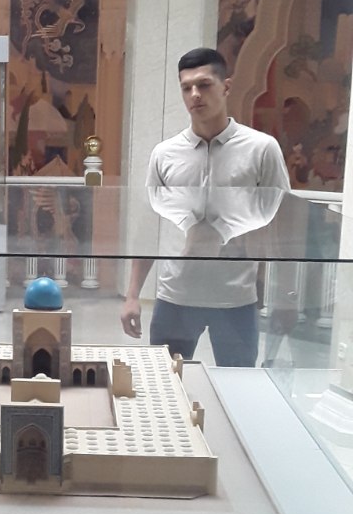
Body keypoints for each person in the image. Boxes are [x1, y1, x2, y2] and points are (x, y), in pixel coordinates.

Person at [120, 46, 292, 367]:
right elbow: (149, 229)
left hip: (236, 298)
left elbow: (281, 223)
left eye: (204, 85)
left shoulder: (262, 149)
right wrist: (132, 295)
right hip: (176, 296)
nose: (194, 95)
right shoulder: (164, 154)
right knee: (165, 383)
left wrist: (286, 296)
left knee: (237, 387)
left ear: (226, 86)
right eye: (186, 88)